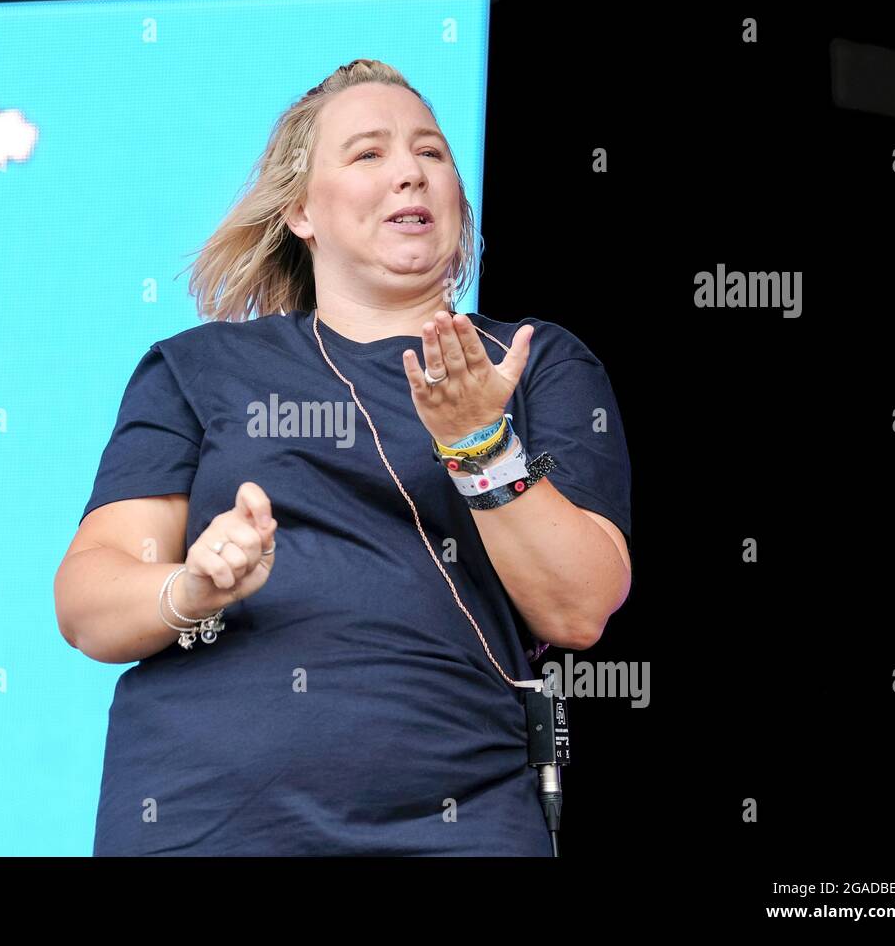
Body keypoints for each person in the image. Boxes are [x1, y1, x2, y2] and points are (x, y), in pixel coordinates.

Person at [54, 59, 632, 856]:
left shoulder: (537, 362)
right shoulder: (199, 367)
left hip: (463, 813)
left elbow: (578, 606)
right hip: (207, 816)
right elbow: (88, 604)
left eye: (431, 153)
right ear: (300, 210)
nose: (410, 173)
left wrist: (479, 444)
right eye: (368, 155)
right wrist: (187, 587)